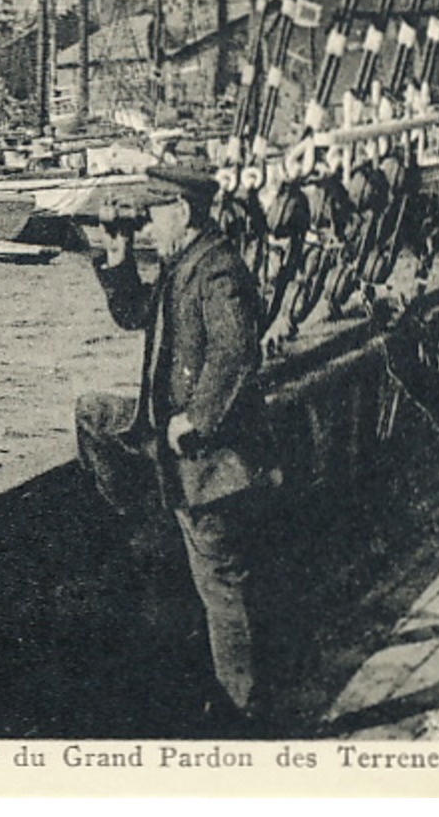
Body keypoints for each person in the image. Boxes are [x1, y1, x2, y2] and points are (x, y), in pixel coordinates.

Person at [74, 162, 278, 730]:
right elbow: (135, 315)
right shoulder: (182, 263)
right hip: (175, 453)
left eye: (154, 212)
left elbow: (237, 351)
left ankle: (245, 712)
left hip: (213, 461)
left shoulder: (216, 270)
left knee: (222, 586)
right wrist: (116, 259)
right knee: (92, 413)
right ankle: (137, 516)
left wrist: (198, 419)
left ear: (182, 212)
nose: (147, 225)